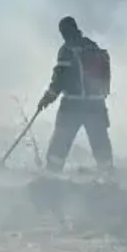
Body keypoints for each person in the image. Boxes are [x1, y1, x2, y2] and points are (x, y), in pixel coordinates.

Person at [38, 16, 114, 172]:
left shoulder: (67, 50)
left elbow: (59, 79)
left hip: (72, 105)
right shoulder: (92, 47)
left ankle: (51, 175)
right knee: (100, 142)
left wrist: (47, 98)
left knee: (60, 141)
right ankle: (108, 174)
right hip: (96, 105)